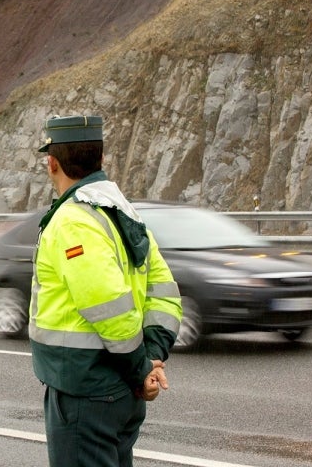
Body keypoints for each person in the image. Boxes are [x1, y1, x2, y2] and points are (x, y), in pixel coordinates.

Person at [29, 114, 183, 467]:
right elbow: (165, 293)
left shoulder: (72, 220)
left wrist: (141, 369)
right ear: (101, 159)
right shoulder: (124, 212)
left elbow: (108, 307)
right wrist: (153, 355)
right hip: (121, 393)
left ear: (51, 163)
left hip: (87, 390)